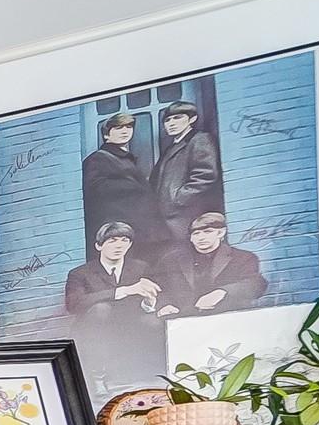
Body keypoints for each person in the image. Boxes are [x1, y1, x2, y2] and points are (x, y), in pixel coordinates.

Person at [64, 221, 166, 392]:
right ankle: (97, 378)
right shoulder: (80, 273)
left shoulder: (140, 267)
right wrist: (123, 291)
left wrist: (149, 301)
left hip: (128, 323)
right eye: (112, 241)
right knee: (101, 309)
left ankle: (151, 373)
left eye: (124, 241)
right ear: (98, 246)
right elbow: (74, 304)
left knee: (154, 321)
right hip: (94, 327)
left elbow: (154, 300)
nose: (118, 246)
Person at [81, 112, 163, 260]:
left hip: (140, 227)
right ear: (106, 135)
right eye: (118, 128)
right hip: (122, 228)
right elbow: (95, 189)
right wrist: (133, 187)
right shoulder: (98, 158)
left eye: (128, 127)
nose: (125, 131)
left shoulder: (126, 158)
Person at [156, 212, 268, 318]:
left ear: (221, 233)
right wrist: (164, 305)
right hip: (184, 321)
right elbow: (157, 287)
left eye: (208, 232)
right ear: (191, 238)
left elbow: (256, 284)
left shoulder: (243, 257)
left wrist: (222, 292)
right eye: (196, 234)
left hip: (230, 319)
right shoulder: (172, 260)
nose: (201, 238)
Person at [151, 101, 221, 244]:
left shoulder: (199, 140)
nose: (171, 123)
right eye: (167, 120)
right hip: (169, 218)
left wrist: (178, 198)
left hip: (186, 215)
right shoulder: (172, 147)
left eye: (178, 118)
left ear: (192, 119)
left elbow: (205, 176)